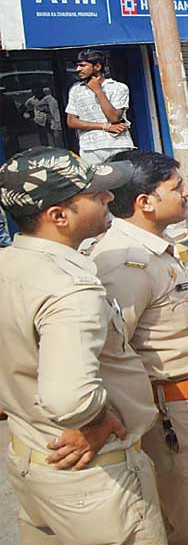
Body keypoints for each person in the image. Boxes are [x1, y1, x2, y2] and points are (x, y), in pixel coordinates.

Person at [0, 147, 167, 544]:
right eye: (94, 195)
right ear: (59, 216)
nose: (109, 197)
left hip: (32, 459)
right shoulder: (69, 288)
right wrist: (94, 420)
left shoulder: (10, 265)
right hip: (91, 475)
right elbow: (68, 399)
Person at [92, 150, 188, 545]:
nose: (187, 192)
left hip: (186, 407)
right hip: (171, 417)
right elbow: (109, 354)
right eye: (176, 186)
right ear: (145, 202)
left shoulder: (152, 247)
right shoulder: (125, 263)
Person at [65, 49, 135, 164]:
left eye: (82, 66)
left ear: (97, 66)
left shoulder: (118, 87)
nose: (78, 69)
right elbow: (72, 122)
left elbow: (114, 118)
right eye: (77, 66)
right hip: (89, 148)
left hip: (117, 145)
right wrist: (104, 126)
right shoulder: (76, 89)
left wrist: (98, 91)